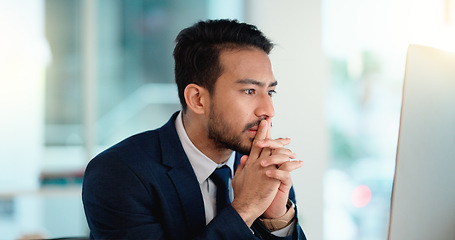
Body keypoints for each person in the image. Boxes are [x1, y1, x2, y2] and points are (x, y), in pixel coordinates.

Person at [82, 19, 307, 240]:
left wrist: (277, 221)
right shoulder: (119, 173)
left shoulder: (262, 166)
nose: (269, 110)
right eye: (249, 91)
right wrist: (245, 209)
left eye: (270, 92)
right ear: (197, 99)